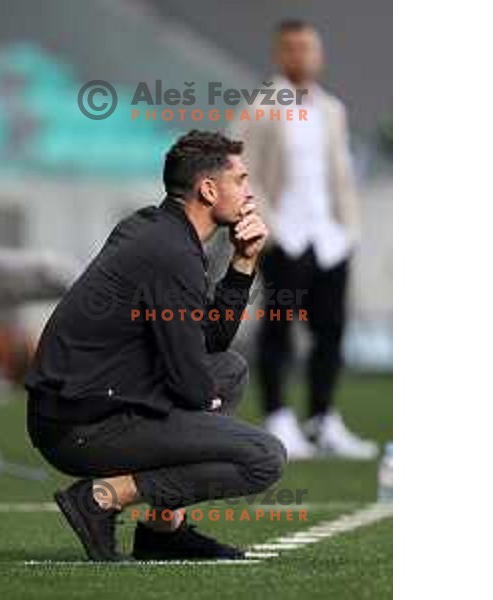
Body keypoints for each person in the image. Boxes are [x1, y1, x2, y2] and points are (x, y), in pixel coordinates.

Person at [24, 130, 285, 562]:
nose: (250, 191)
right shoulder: (170, 253)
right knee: (264, 458)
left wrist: (242, 263)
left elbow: (210, 343)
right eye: (240, 180)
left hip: (84, 406)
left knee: (230, 369)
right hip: (81, 429)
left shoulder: (157, 228)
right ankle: (101, 498)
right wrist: (206, 403)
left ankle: (165, 529)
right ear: (207, 189)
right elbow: (190, 384)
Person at [237, 20, 377, 460]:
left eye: (308, 48)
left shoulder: (332, 109)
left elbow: (340, 173)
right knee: (278, 326)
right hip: (286, 236)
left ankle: (322, 419)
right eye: (292, 48)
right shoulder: (260, 106)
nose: (301, 56)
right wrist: (269, 226)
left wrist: (349, 227)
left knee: (331, 329)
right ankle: (278, 417)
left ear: (319, 55)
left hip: (330, 237)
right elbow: (241, 168)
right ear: (280, 54)